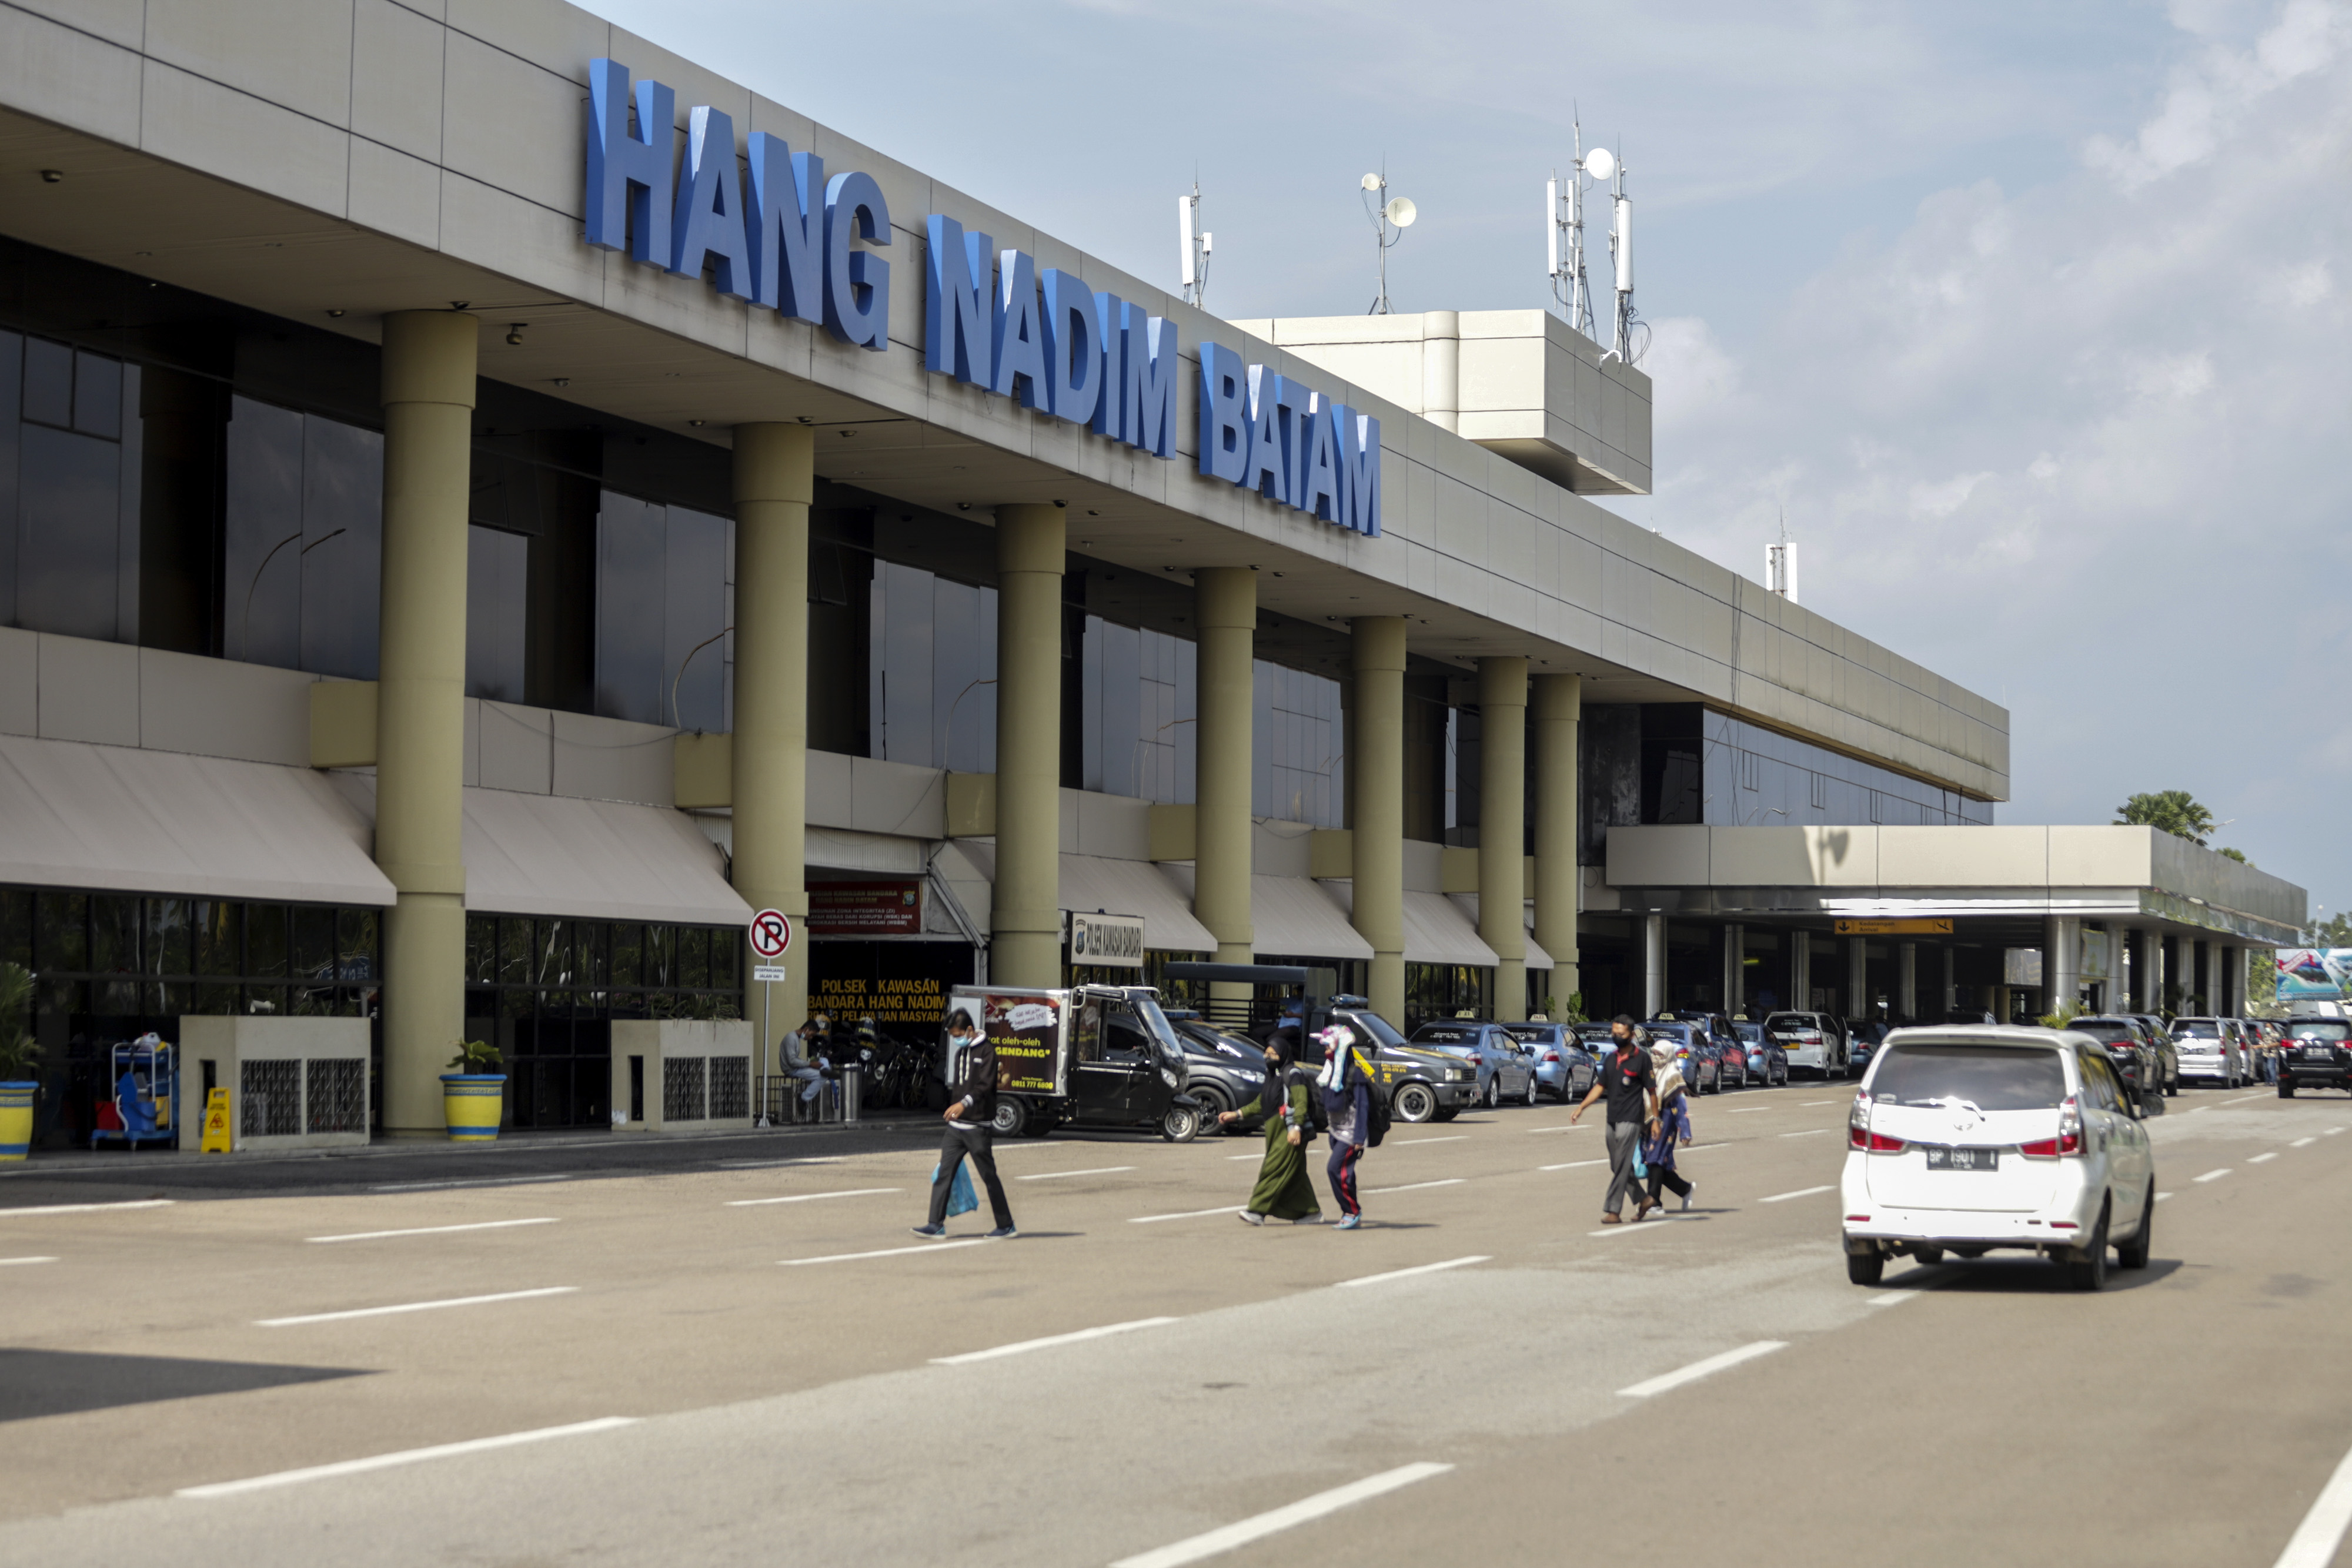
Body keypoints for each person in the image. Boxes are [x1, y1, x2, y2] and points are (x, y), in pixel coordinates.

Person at [911, 1009, 1015, 1239]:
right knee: (943, 1175)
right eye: (952, 1035)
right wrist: (954, 1109)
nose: (955, 1039)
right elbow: (960, 1086)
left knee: (989, 1176)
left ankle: (1006, 1225)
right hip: (956, 1129)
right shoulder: (961, 1052)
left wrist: (963, 1104)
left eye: (957, 1034)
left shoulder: (988, 1051)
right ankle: (935, 1224)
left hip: (978, 1127)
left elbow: (985, 1085)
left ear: (969, 1030)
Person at [1218, 1034, 1321, 1225]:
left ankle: (1256, 1211)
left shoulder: (1293, 1074)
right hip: (1275, 1132)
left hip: (1288, 1132)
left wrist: (1297, 1128)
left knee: (1272, 1170)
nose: (1268, 1056)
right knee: (1295, 1174)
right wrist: (1237, 1114)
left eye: (1273, 1053)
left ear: (1283, 1054)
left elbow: (1301, 1103)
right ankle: (1310, 1212)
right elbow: (1261, 1103)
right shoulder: (1273, 1076)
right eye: (1266, 1052)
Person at [1569, 1015, 1659, 1225]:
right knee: (1617, 1165)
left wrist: (1656, 1119)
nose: (1617, 1037)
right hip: (1612, 1118)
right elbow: (1601, 1086)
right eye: (1614, 1033)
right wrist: (1581, 1107)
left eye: (1622, 1034)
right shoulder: (1611, 1058)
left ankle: (1613, 1211)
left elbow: (1652, 1092)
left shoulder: (1641, 1059)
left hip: (1631, 1119)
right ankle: (1644, 1199)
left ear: (1632, 1034)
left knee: (1620, 1166)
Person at [1315, 1024, 1371, 1231]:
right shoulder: (1329, 1071)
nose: (1326, 1051)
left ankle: (1351, 1211)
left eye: (1329, 1047)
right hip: (1336, 1130)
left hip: (1351, 1132)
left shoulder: (1355, 1073)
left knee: (1335, 1169)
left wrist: (1359, 1138)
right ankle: (1352, 1210)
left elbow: (1363, 1106)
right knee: (1346, 1173)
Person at [1642, 1061, 1695, 1215]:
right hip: (1650, 1125)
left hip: (1666, 1128)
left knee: (1655, 1160)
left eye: (1660, 1054)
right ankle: (1685, 1189)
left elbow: (1681, 1108)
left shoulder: (1673, 1076)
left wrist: (1685, 1132)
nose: (1656, 1057)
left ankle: (1654, 1202)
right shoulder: (1652, 1073)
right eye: (1654, 1054)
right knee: (1654, 1162)